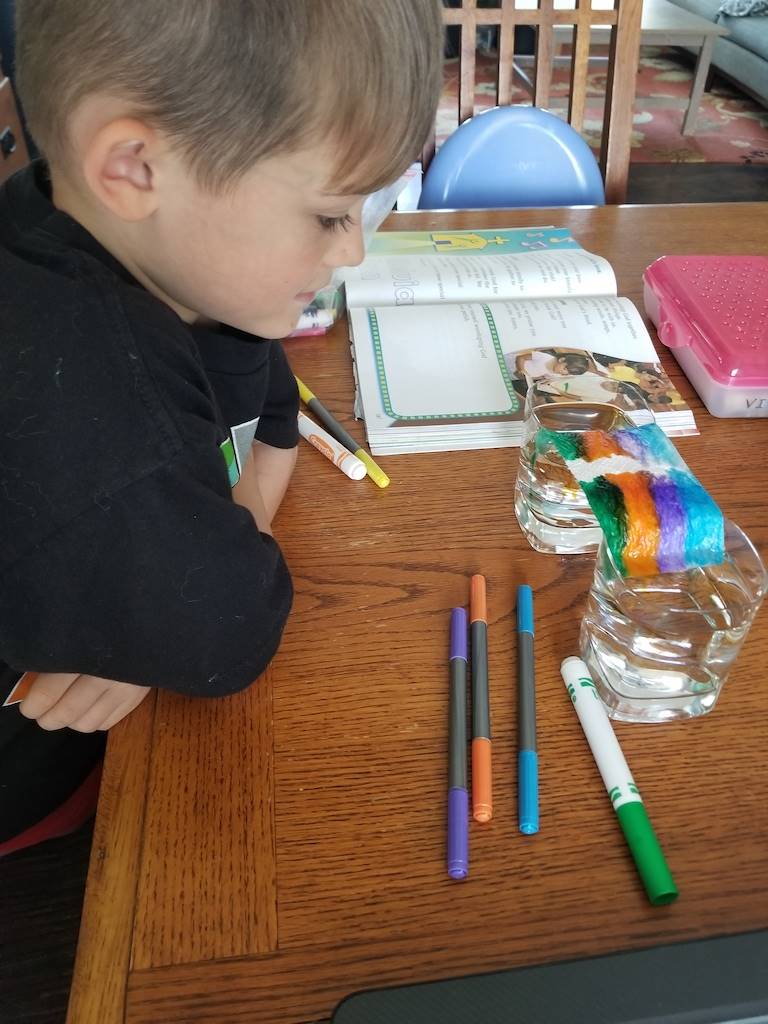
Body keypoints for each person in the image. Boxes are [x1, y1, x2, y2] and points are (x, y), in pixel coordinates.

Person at [0, 0, 444, 854]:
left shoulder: (161, 264)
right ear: (133, 167)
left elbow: (273, 419)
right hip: (42, 794)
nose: (352, 252)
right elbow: (230, 631)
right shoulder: (96, 406)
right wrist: (168, 605)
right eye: (327, 214)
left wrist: (160, 593)